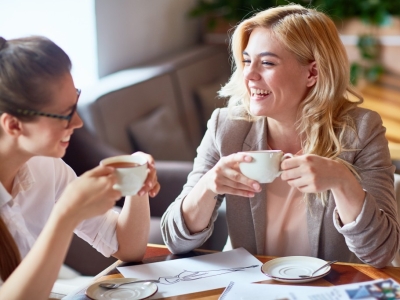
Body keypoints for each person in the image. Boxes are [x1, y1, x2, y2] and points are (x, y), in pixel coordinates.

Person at [161, 4, 400, 268]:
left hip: (326, 290)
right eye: (247, 60)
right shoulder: (227, 126)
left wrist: (343, 181)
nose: (249, 75)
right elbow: (175, 240)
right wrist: (208, 185)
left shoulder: (361, 130)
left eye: (267, 63)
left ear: (312, 73)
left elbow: (381, 253)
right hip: (248, 287)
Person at [0, 35, 160, 300]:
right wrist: (66, 215)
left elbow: (128, 248)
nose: (77, 122)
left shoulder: (45, 167)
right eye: (64, 114)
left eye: (75, 103)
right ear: (14, 125)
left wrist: (136, 183)